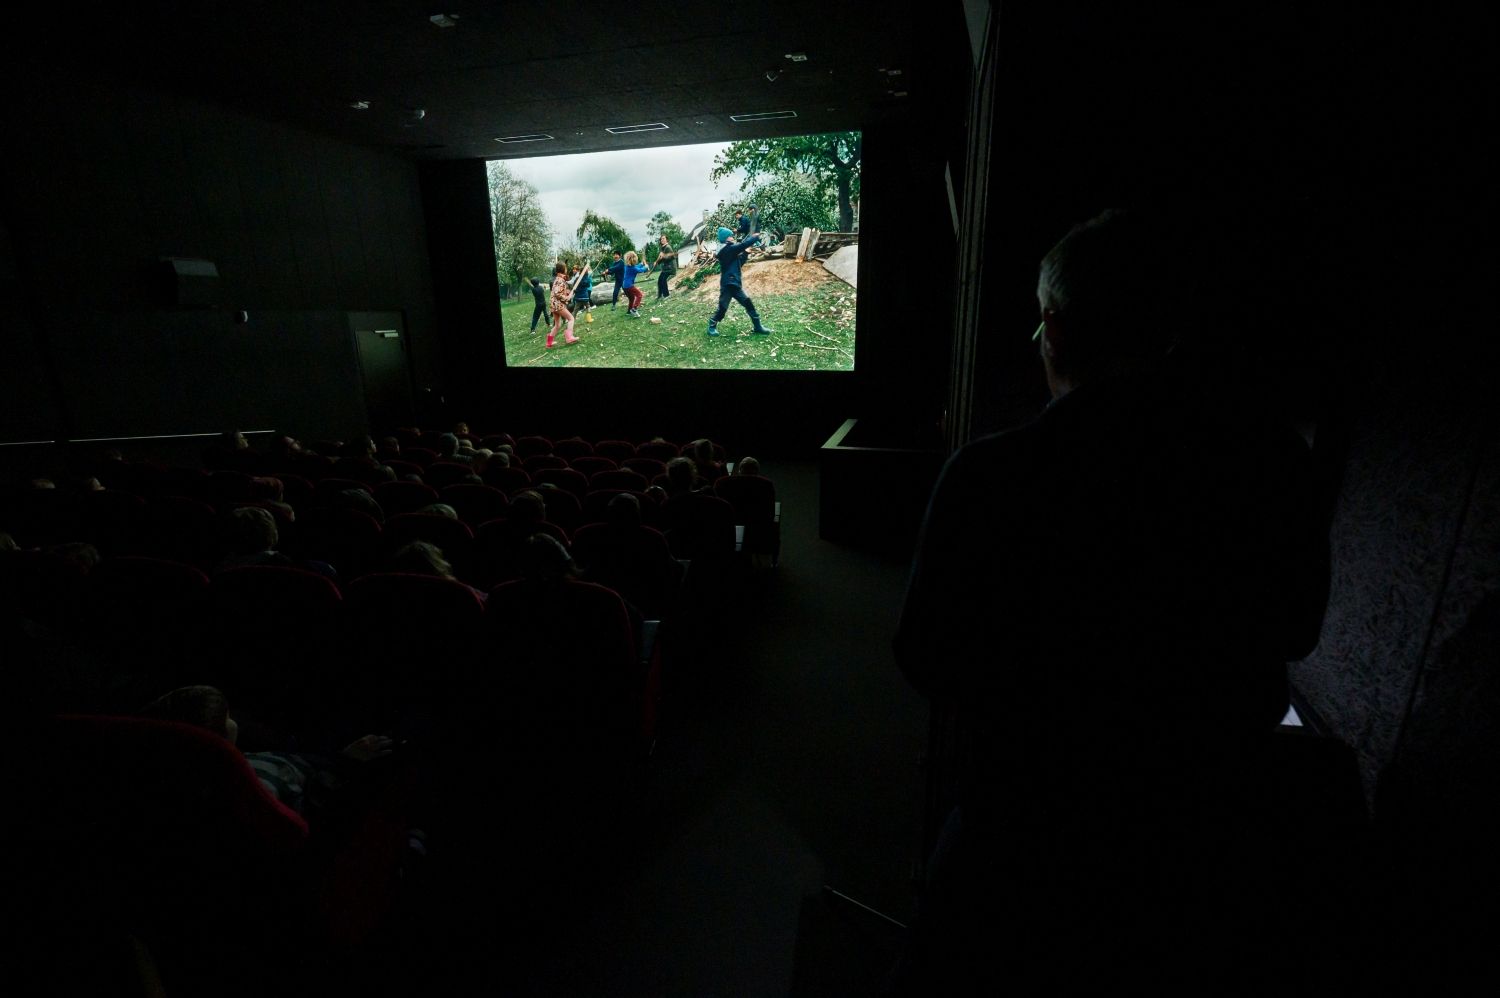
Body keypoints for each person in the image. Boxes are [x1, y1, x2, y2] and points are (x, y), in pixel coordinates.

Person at [889, 209, 1331, 992]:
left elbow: (926, 654)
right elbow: (1297, 630)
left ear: (1056, 331)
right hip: (1209, 839)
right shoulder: (1276, 461)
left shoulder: (992, 476)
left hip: (1023, 835)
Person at [706, 227, 774, 337]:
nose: (732, 237)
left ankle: (758, 326)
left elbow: (738, 263)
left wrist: (745, 253)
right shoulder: (726, 249)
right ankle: (712, 326)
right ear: (725, 238)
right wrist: (754, 237)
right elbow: (742, 245)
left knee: (748, 303)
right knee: (723, 308)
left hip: (734, 284)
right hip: (728, 285)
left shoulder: (729, 250)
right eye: (730, 236)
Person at [547, 261, 580, 348]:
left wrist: (567, 292)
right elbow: (557, 293)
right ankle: (569, 337)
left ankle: (549, 342)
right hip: (558, 305)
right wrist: (566, 298)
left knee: (557, 325)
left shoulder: (557, 279)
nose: (566, 269)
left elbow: (558, 291)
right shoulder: (561, 280)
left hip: (553, 304)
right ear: (563, 269)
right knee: (571, 318)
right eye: (565, 267)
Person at [620, 251, 649, 317]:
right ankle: (634, 309)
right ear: (634, 259)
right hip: (629, 286)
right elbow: (640, 270)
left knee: (632, 298)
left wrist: (641, 264)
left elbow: (636, 266)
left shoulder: (627, 266)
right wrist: (646, 266)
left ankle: (629, 311)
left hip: (624, 286)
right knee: (639, 295)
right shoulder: (633, 268)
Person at [650, 235, 677, 299]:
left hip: (670, 267)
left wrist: (664, 256)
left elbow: (670, 257)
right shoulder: (663, 248)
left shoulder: (668, 247)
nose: (662, 240)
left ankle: (666, 295)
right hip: (666, 268)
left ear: (666, 240)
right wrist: (656, 262)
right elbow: (662, 259)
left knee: (663, 280)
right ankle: (659, 295)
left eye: (663, 238)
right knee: (659, 280)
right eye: (661, 239)